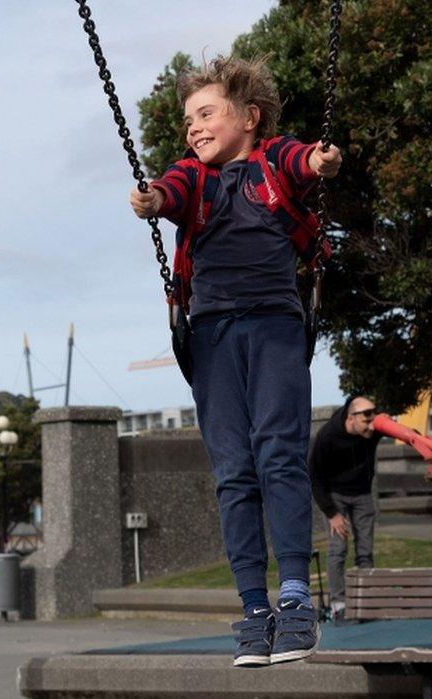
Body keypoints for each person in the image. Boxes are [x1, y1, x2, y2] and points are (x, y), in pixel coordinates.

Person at [129, 55, 342, 667]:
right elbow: (166, 194)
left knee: (279, 452)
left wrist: (322, 160)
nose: (193, 127)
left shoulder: (275, 161)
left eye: (206, 112)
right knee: (232, 470)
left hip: (275, 327)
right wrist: (147, 201)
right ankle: (254, 607)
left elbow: (306, 162)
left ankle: (297, 599)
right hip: (213, 336)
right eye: (187, 118)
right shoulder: (193, 178)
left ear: (249, 117)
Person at [307, 395, 383, 623]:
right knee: (338, 550)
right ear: (351, 417)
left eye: (374, 417)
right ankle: (339, 605)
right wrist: (332, 513)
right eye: (366, 419)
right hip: (335, 495)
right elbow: (314, 477)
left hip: (362, 494)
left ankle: (365, 604)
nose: (372, 425)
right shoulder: (328, 437)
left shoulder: (372, 431)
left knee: (365, 552)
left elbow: (403, 433)